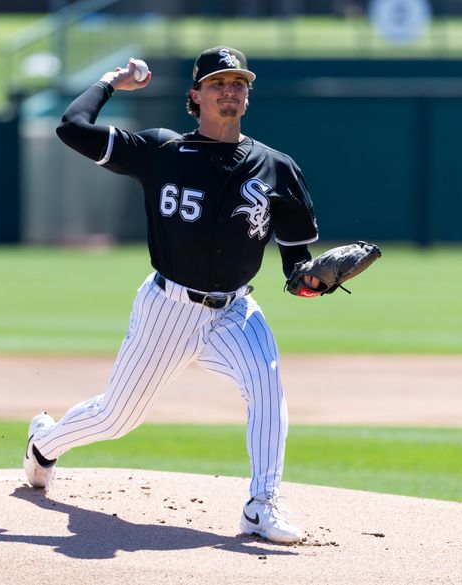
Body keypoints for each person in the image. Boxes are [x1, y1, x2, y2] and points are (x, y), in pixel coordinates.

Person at [24, 46, 322, 545]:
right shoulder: (162, 151)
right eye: (218, 83)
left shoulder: (277, 168)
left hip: (235, 310)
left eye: (239, 82)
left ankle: (261, 504)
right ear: (195, 96)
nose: (230, 90)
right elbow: (72, 127)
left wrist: (313, 280)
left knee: (268, 389)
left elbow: (297, 264)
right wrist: (110, 82)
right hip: (168, 307)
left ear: (248, 95)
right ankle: (43, 445)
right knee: (117, 417)